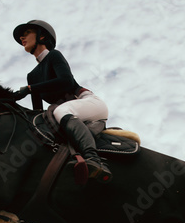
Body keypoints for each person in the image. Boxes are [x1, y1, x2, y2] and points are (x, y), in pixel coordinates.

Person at [10, 20, 112, 183]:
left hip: (89, 104)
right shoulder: (32, 76)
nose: (22, 37)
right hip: (71, 114)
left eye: (27, 32)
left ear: (42, 36)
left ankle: (94, 160)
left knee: (60, 111)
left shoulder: (54, 55)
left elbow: (66, 82)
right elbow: (37, 112)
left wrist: (29, 89)